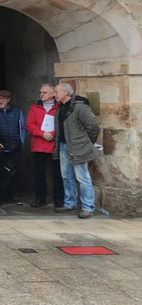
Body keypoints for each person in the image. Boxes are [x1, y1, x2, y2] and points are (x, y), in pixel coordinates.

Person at [53, 83, 100, 219]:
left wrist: (85, 144)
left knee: (82, 177)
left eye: (56, 91)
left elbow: (94, 127)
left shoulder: (79, 107)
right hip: (63, 146)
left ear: (65, 93)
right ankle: (70, 203)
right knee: (66, 176)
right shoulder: (60, 107)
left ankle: (87, 207)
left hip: (78, 147)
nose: (54, 94)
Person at [26, 83, 64, 209]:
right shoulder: (34, 108)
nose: (41, 94)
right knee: (39, 173)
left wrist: (52, 134)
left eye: (44, 92)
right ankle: (40, 198)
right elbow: (30, 125)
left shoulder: (59, 106)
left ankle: (59, 199)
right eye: (40, 92)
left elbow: (62, 124)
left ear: (53, 94)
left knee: (58, 173)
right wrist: (43, 134)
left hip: (54, 145)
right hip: (39, 145)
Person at [0, 89, 26, 206]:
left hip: (15, 147)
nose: (0, 100)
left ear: (8, 99)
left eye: (3, 98)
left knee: (14, 173)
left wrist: (21, 141)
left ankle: (14, 195)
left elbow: (23, 127)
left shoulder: (17, 111)